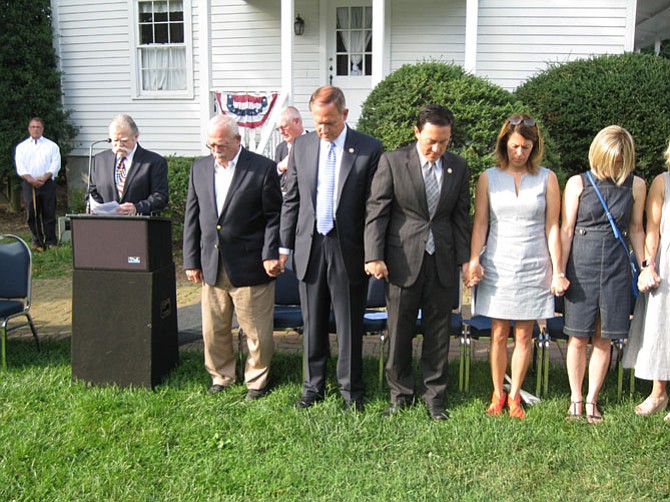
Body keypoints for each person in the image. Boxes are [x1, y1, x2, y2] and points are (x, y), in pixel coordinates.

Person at [279, 86, 383, 411]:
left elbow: (374, 206)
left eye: (330, 122)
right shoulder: (303, 145)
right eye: (318, 122)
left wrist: (372, 251)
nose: (324, 129)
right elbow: (292, 199)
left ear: (345, 115)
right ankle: (313, 387)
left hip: (347, 247)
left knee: (349, 323)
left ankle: (351, 392)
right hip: (309, 245)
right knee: (312, 322)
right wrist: (284, 246)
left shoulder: (369, 148)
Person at [365, 104, 470, 421]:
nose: (437, 148)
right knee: (399, 331)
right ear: (416, 133)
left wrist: (465, 261)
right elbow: (377, 211)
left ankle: (435, 396)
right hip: (402, 261)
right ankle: (400, 394)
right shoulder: (393, 162)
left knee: (439, 332)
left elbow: (461, 218)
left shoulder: (458, 167)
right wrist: (374, 255)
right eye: (431, 141)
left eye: (444, 141)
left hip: (442, 260)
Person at [468, 114, 566, 419]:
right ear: (504, 144)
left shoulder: (547, 178)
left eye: (525, 146)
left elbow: (553, 226)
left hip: (535, 264)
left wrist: (558, 269)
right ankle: (497, 393)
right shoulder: (488, 177)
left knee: (525, 334)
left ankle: (515, 396)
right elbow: (481, 223)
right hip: (498, 262)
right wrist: (474, 260)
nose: (519, 153)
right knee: (498, 332)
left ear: (534, 147)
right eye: (514, 146)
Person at [183, 114, 282, 399]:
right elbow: (193, 217)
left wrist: (270, 253)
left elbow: (274, 217)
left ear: (238, 140)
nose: (216, 150)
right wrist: (191, 259)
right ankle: (221, 376)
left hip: (251, 264)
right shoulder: (199, 169)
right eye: (211, 145)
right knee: (214, 329)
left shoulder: (262, 169)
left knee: (256, 332)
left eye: (222, 145)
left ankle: (256, 380)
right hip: (211, 264)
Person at [561, 125, 645, 423]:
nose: (616, 166)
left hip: (616, 265)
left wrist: (645, 265)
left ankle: (593, 400)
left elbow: (636, 228)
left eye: (621, 160)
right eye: (612, 159)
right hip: (581, 264)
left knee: (604, 338)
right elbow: (567, 229)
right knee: (577, 335)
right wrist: (559, 270)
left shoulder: (636, 186)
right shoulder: (577, 183)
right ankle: (575, 399)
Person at [622, 140, 670, 422]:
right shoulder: (662, 182)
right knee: (661, 327)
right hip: (665, 263)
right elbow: (650, 229)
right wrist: (648, 265)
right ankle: (658, 393)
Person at [88, 113, 169, 215]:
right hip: (106, 224)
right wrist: (102, 210)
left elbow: (160, 196)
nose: (119, 145)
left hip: (138, 224)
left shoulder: (154, 162)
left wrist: (137, 208)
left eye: (124, 141)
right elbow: (92, 191)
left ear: (136, 137)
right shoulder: (99, 160)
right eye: (115, 140)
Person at [14, 117, 61, 250]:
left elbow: (55, 164)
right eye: (33, 127)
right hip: (29, 184)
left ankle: (51, 241)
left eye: (38, 127)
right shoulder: (22, 147)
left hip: (47, 184)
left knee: (49, 212)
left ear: (42, 129)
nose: (35, 129)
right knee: (32, 213)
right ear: (29, 129)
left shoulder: (51, 146)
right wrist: (31, 180)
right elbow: (20, 166)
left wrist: (44, 178)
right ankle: (37, 241)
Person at [275, 106, 305, 193]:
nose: (281, 132)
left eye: (283, 127)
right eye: (278, 129)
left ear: (297, 121)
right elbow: (273, 178)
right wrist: (280, 167)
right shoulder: (281, 148)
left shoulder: (313, 144)